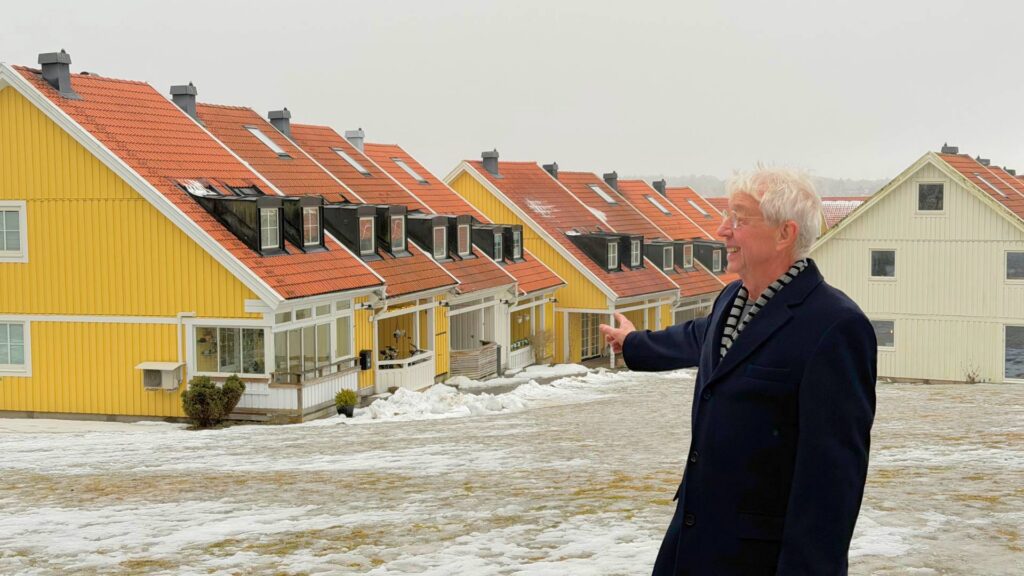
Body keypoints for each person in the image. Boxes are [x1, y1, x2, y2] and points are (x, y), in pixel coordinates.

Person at [600, 167, 876, 575]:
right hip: (691, 548)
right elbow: (697, 337)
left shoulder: (835, 326)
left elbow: (831, 485)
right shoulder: (733, 298)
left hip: (756, 560)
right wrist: (633, 344)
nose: (722, 230)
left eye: (739, 219)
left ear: (784, 233)